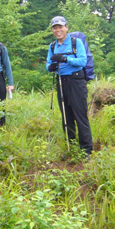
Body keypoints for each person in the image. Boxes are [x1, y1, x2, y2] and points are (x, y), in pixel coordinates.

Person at [45, 16, 93, 157]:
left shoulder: (75, 42)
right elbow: (48, 64)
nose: (58, 30)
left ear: (66, 27)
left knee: (80, 115)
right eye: (55, 27)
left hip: (76, 82)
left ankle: (86, 150)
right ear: (52, 30)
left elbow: (82, 61)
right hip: (61, 81)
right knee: (66, 116)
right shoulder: (52, 46)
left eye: (60, 27)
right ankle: (71, 148)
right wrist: (51, 67)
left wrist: (65, 59)